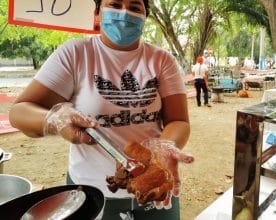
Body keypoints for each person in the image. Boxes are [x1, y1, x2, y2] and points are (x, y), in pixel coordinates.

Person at [9, 0, 193, 219]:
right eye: (114, 4)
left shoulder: (161, 60)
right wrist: (54, 119)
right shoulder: (76, 54)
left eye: (135, 8)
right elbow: (19, 112)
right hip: (90, 194)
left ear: (145, 18)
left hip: (154, 185)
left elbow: (178, 120)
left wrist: (163, 149)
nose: (124, 13)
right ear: (97, 13)